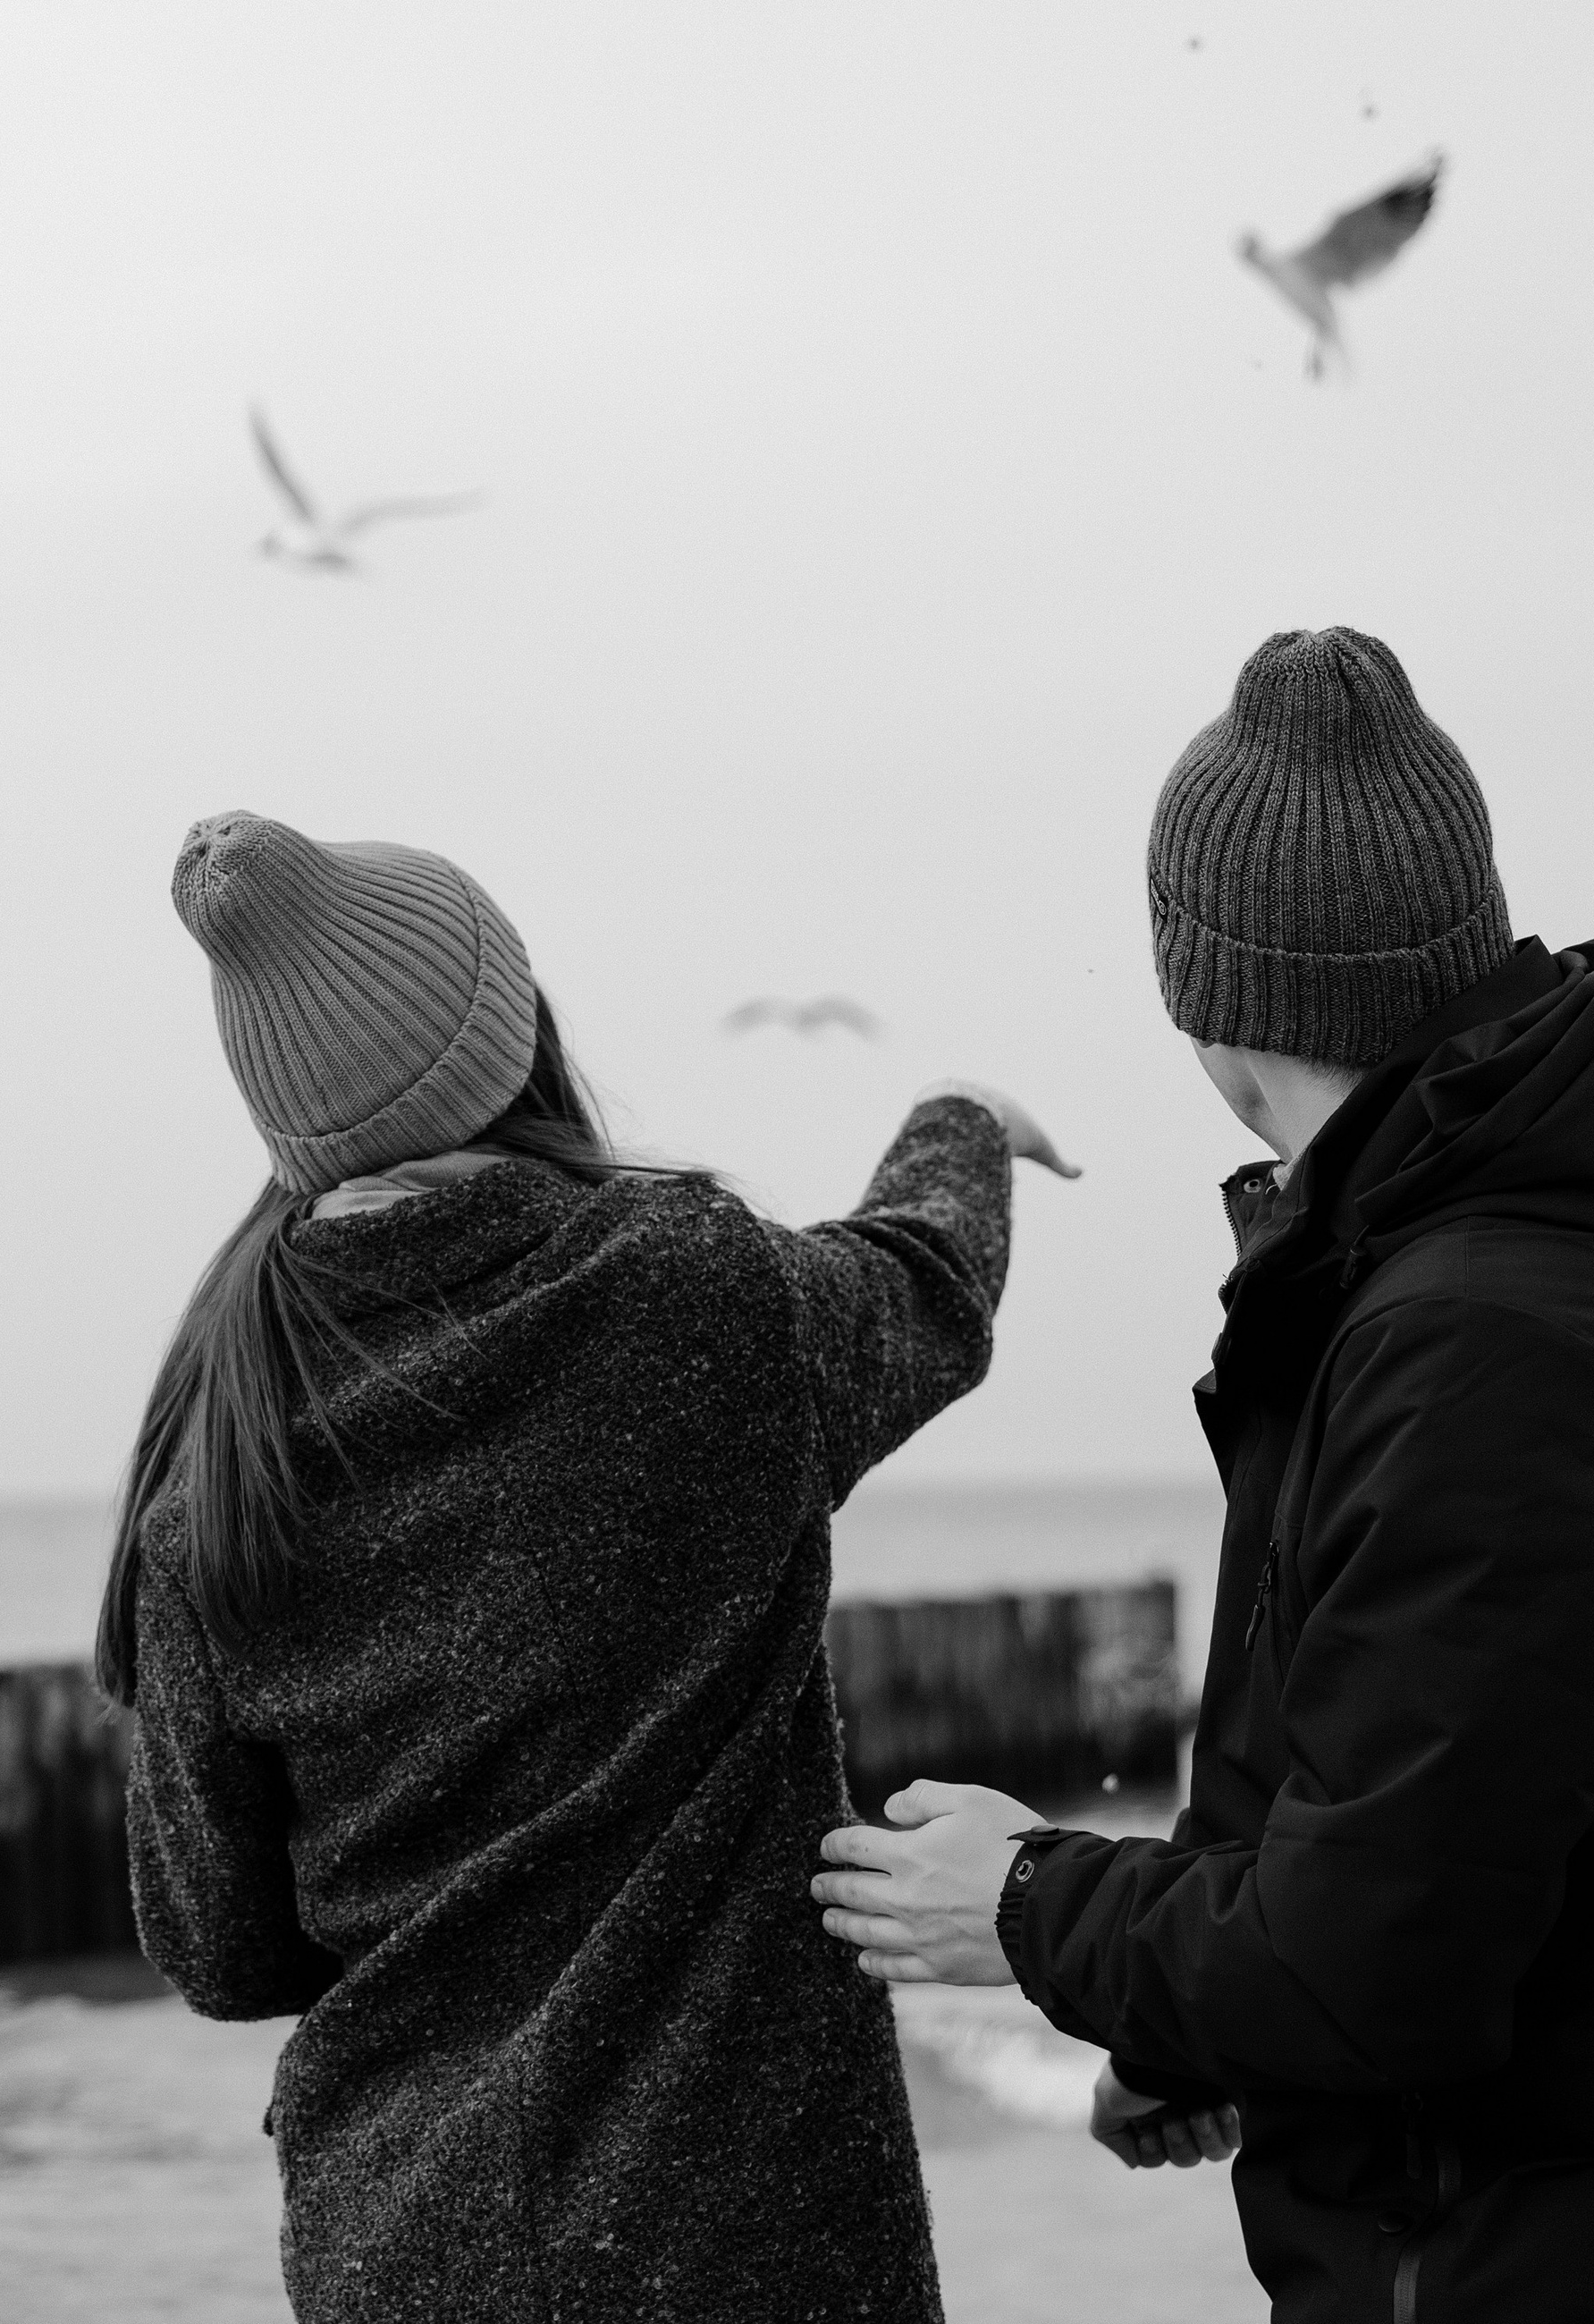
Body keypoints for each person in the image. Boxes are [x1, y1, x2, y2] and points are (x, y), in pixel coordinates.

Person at [812, 628, 1594, 2321]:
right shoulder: (1560, 1259)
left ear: (1211, 995)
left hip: (1592, 2264)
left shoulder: (1488, 1345)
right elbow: (1473, 1864)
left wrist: (1028, 1902)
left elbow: (1379, 1963)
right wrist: (1198, 2028)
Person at [97, 807, 1075, 2324]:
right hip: (753, 2233)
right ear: (517, 1038)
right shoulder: (687, 1295)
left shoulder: (216, 1480)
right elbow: (923, 1289)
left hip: (400, 2251)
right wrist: (956, 1123)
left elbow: (221, 1953)